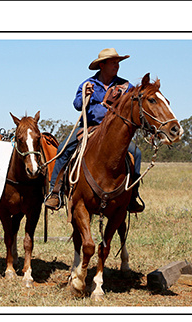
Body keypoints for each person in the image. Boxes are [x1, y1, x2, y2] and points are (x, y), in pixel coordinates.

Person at [45, 48, 144, 213]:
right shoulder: (87, 84)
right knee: (63, 149)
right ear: (102, 65)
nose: (117, 66)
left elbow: (135, 103)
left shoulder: (126, 86)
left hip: (114, 134)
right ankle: (55, 192)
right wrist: (86, 97)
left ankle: (133, 194)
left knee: (137, 153)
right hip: (89, 128)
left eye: (118, 62)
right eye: (113, 62)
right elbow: (77, 105)